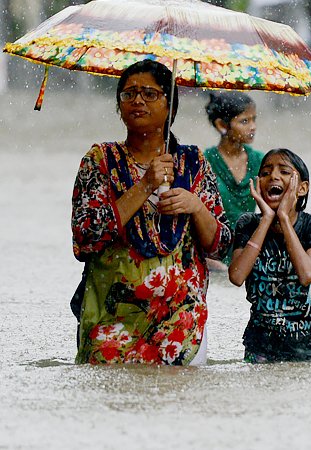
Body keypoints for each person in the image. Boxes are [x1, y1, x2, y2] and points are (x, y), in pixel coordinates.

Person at [71, 59, 231, 365]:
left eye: (149, 93)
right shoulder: (100, 160)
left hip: (181, 319)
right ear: (118, 107)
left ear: (170, 105)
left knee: (175, 403)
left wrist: (195, 206)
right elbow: (85, 238)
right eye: (128, 94)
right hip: (112, 316)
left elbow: (221, 244)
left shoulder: (193, 162)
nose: (138, 101)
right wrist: (145, 185)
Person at [228, 148, 311, 363]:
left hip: (306, 348)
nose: (273, 176)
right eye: (265, 173)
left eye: (284, 172)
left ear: (302, 188)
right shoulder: (248, 223)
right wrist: (266, 219)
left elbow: (307, 274)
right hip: (259, 347)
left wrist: (283, 217)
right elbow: (237, 276)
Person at [204, 91, 264, 267]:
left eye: (254, 119)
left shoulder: (261, 162)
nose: (253, 127)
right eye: (245, 121)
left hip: (248, 251)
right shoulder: (204, 162)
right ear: (222, 125)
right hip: (212, 257)